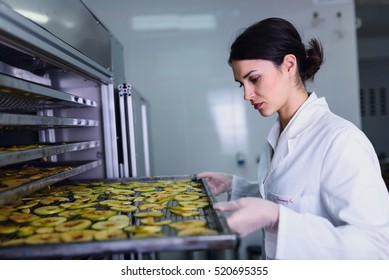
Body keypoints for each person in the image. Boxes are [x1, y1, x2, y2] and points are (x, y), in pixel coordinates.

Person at [198, 17, 389, 259]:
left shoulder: (341, 141)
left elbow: (378, 247)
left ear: (289, 65)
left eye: (254, 79)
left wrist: (277, 219)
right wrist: (234, 186)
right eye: (241, 84)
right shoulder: (281, 135)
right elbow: (292, 197)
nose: (247, 95)